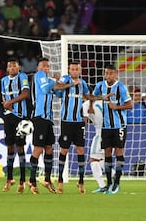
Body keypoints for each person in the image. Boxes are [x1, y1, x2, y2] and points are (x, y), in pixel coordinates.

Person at [92, 64, 133, 194]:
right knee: (107, 153)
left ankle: (117, 183)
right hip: (106, 126)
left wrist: (116, 107)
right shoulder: (100, 85)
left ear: (115, 74)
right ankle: (109, 183)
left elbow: (130, 105)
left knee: (119, 152)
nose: (108, 76)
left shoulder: (121, 87)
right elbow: (91, 97)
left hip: (119, 125)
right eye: (106, 73)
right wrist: (100, 99)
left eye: (110, 73)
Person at [55, 62, 90, 194]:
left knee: (81, 150)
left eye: (77, 69)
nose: (75, 71)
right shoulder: (65, 79)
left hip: (79, 122)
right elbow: (57, 87)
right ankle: (60, 180)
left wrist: (88, 110)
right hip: (66, 122)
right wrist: (71, 84)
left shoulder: (83, 83)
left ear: (80, 71)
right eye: (72, 69)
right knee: (64, 150)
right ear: (69, 70)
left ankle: (81, 182)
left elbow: (88, 96)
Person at [28, 58, 60, 195]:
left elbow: (57, 93)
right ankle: (32, 180)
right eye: (44, 66)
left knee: (49, 148)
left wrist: (60, 83)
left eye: (48, 66)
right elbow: (46, 88)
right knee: (38, 148)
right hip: (39, 116)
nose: (47, 68)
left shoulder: (48, 79)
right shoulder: (39, 76)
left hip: (48, 118)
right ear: (39, 67)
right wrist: (54, 80)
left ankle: (47, 179)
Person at [0, 57, 30, 194]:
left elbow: (25, 94)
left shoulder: (22, 77)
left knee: (20, 147)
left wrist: (10, 102)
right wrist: (7, 105)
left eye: (14, 66)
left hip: (19, 116)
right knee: (10, 146)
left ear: (18, 68)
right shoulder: (3, 80)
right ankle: (9, 178)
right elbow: (3, 97)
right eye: (10, 66)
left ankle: (22, 180)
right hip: (8, 116)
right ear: (7, 69)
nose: (12, 68)